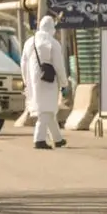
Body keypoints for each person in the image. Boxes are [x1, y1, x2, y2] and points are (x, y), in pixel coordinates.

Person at [19, 15, 68, 150]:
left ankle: (58, 139)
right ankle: (39, 139)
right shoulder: (53, 43)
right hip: (49, 80)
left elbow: (23, 63)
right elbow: (59, 65)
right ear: (51, 28)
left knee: (48, 110)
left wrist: (25, 80)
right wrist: (64, 83)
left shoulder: (29, 42)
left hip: (33, 80)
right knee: (46, 110)